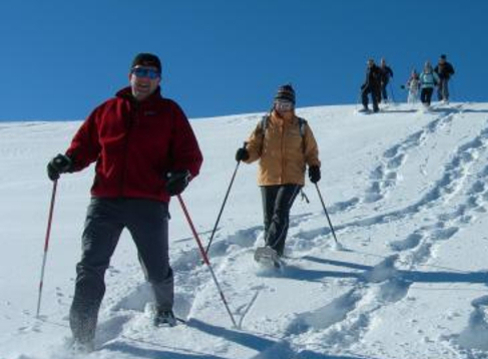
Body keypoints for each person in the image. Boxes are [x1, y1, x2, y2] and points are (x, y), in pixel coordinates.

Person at [46, 52, 203, 350]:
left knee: (157, 268)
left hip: (149, 202)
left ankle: (164, 308)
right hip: (104, 202)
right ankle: (82, 339)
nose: (144, 79)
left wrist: (182, 173)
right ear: (129, 75)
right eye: (139, 72)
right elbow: (84, 146)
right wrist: (67, 161)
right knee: (90, 267)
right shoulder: (107, 110)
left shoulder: (170, 112)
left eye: (151, 74)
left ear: (159, 80)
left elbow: (189, 154)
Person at [235, 85, 321, 264]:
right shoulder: (264, 124)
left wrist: (314, 166)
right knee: (269, 220)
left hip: (293, 177)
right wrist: (246, 154)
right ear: (274, 103)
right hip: (268, 176)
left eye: (286, 103)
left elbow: (311, 150)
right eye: (279, 103)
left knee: (280, 212)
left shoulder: (301, 125)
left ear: (293, 105)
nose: (283, 107)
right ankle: (276, 256)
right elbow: (254, 146)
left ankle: (269, 252)